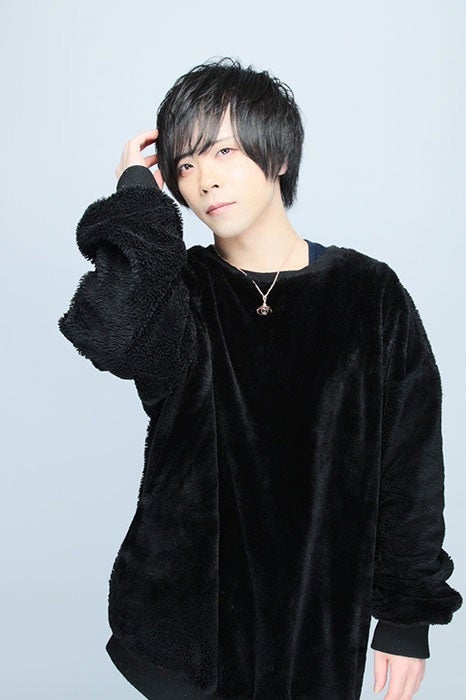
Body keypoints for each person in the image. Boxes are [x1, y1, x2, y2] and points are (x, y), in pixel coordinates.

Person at [58, 57, 462, 699]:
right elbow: (110, 330)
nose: (205, 180)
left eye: (223, 151)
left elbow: (410, 464)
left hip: (318, 619)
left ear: (279, 155)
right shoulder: (181, 293)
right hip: (189, 635)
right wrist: (136, 197)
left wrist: (406, 616)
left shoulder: (369, 294)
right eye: (185, 165)